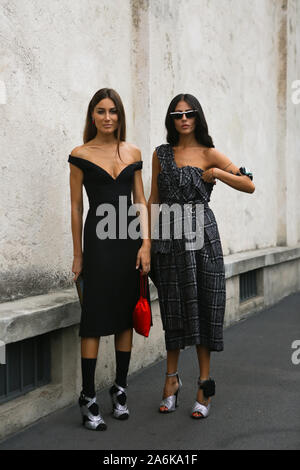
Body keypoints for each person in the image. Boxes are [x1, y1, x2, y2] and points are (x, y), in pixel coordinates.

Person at [148, 93, 255, 419]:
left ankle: (204, 384)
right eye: (177, 114)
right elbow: (154, 199)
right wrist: (147, 245)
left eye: (189, 113)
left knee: (205, 308)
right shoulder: (161, 154)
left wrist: (219, 174)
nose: (184, 119)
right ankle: (171, 381)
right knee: (173, 310)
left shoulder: (210, 153)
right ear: (171, 119)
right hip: (168, 241)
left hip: (203, 239)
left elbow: (249, 184)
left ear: (197, 117)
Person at [68, 88, 151, 430]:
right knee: (94, 318)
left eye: (112, 111)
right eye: (100, 111)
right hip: (98, 245)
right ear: (92, 116)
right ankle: (88, 397)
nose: (107, 117)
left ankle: (119, 389)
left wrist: (145, 244)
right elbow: (75, 207)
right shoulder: (80, 154)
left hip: (129, 243)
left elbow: (141, 202)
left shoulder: (132, 151)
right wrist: (78, 255)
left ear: (120, 116)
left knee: (123, 316)